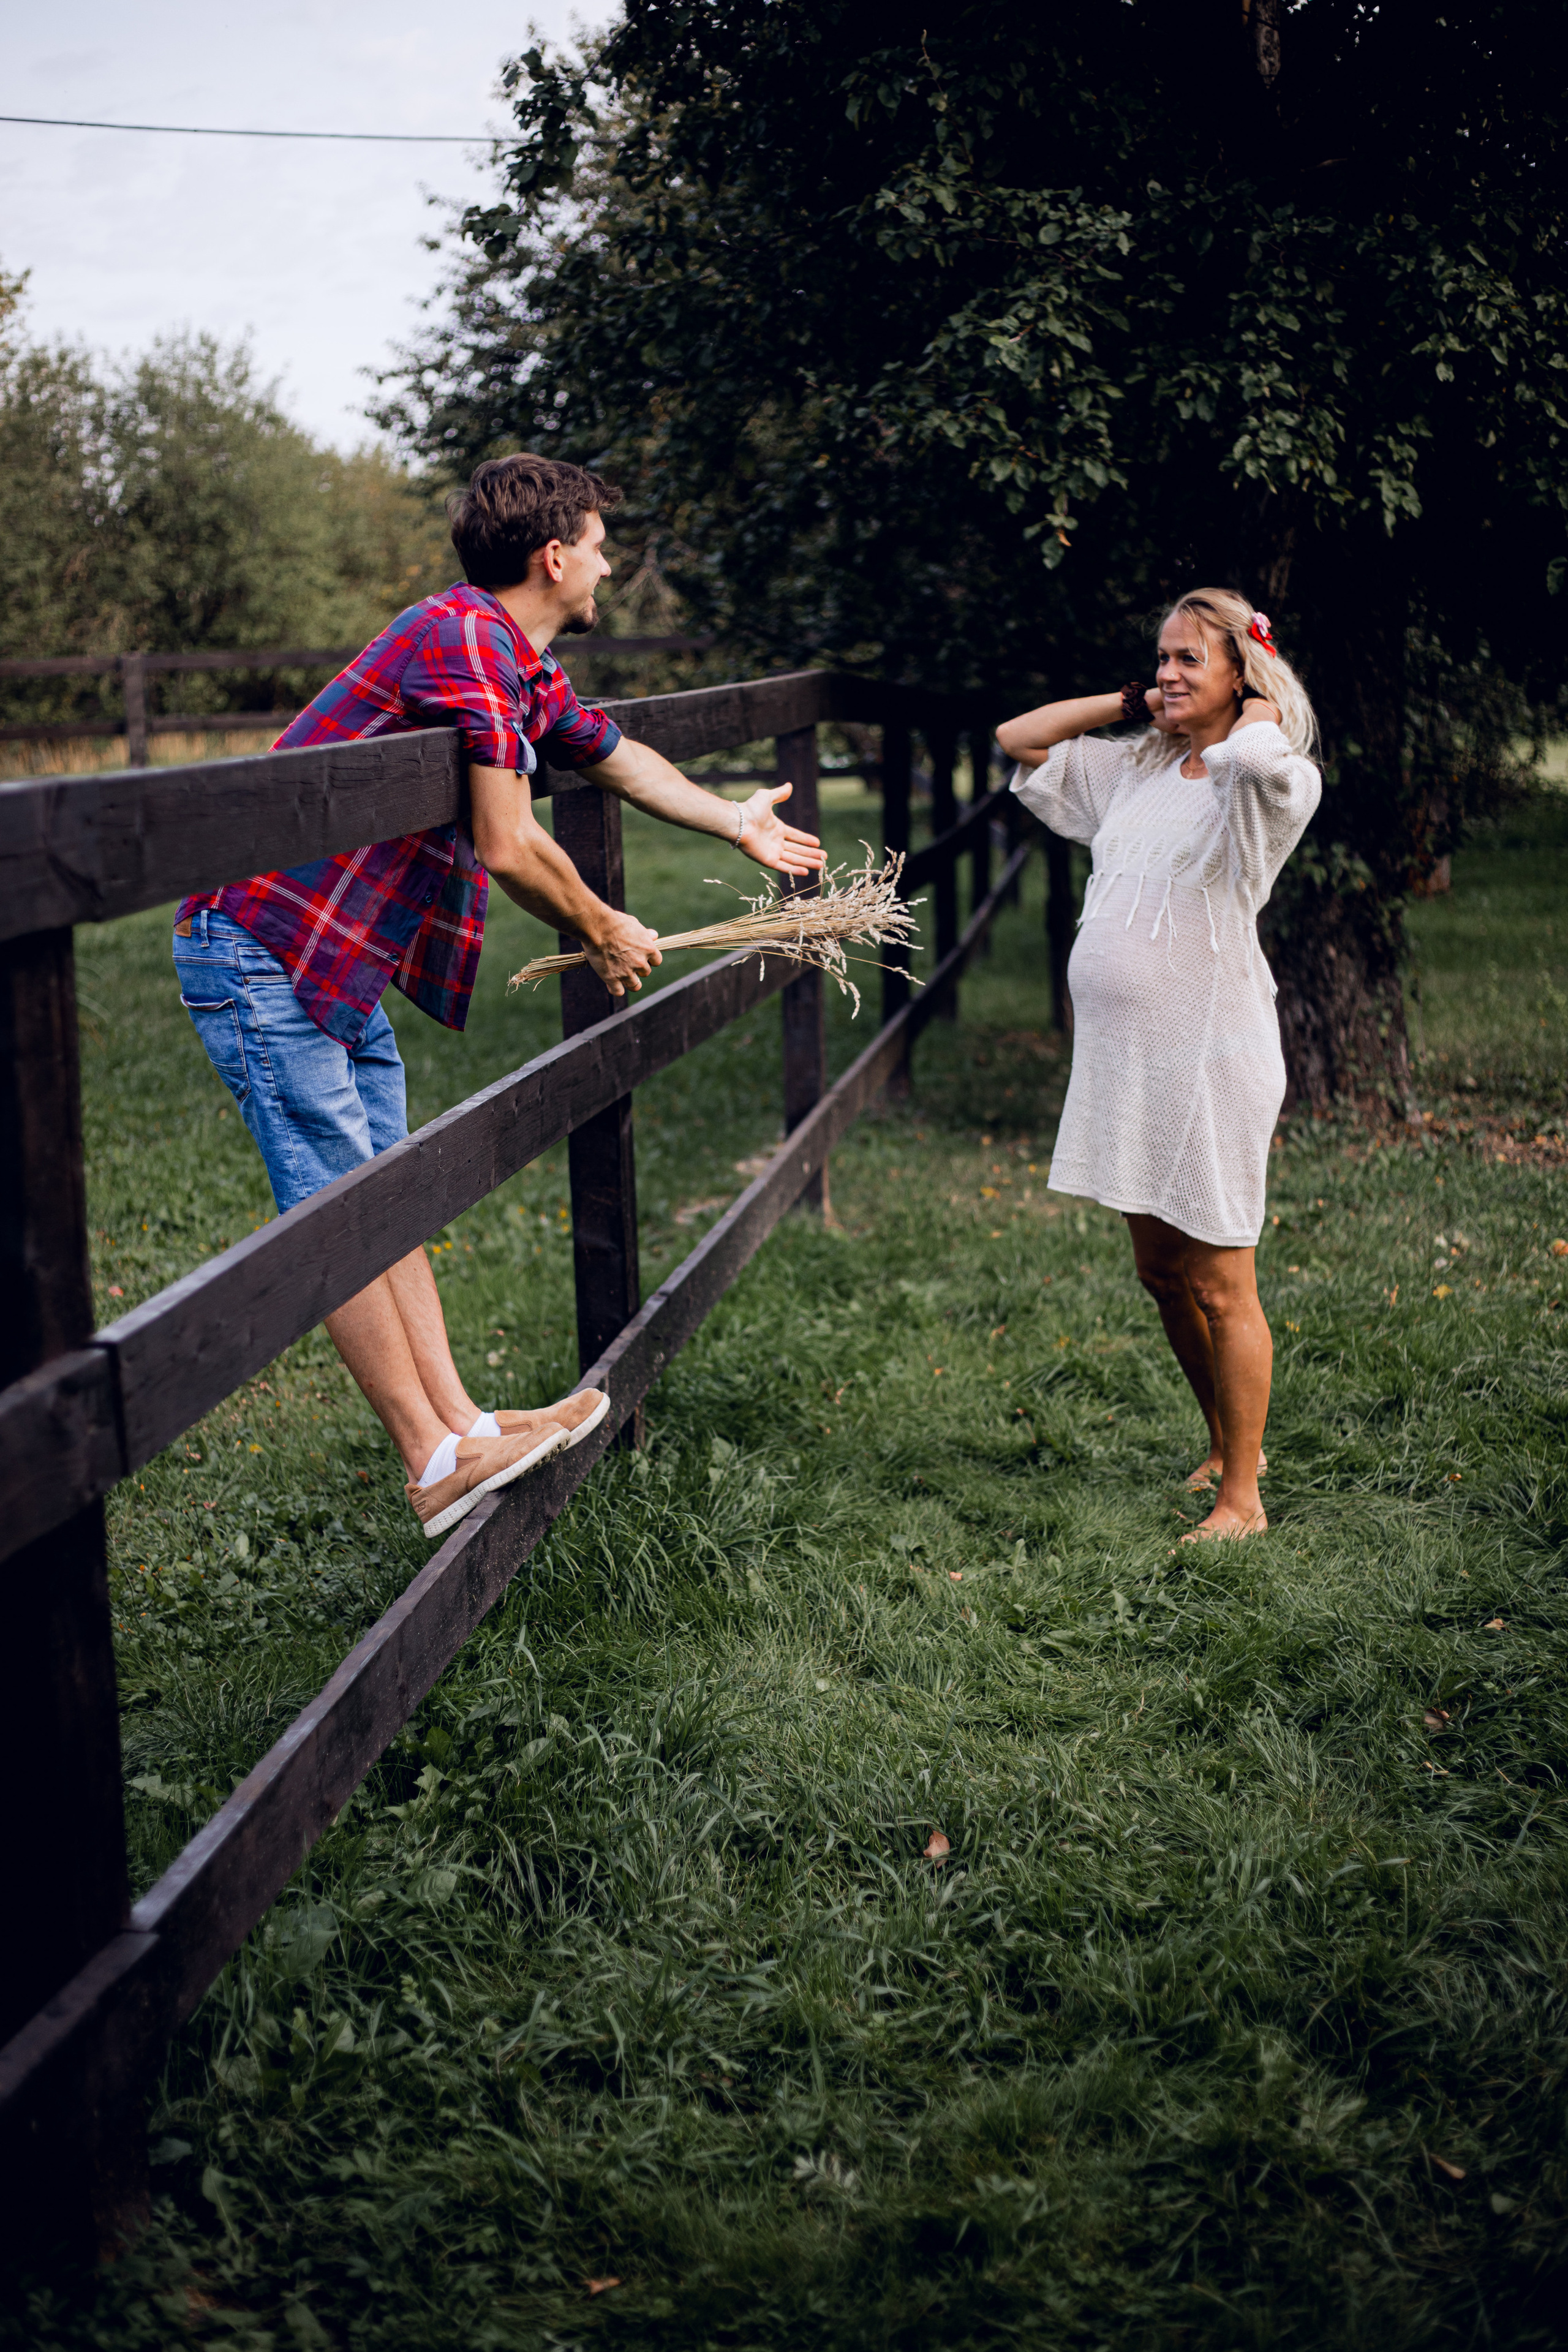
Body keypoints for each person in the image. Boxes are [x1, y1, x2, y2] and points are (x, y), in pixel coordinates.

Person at [173, 453, 823, 1541]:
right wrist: (601, 922)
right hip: (259, 949)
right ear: (555, 553)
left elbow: (615, 760)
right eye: (602, 543)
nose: (610, 562)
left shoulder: (515, 660)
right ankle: (430, 1462)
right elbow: (508, 840)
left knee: (385, 1199)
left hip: (334, 962)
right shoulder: (467, 635)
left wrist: (734, 821)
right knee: (337, 1214)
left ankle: (463, 1426)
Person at [997, 590, 1321, 1541]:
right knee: (1159, 1271)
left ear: (1240, 674)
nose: (1169, 674)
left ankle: (1244, 1500)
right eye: (1161, 659)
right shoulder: (1133, 774)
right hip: (1126, 1058)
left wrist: (1259, 711)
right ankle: (1223, 1443)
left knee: (1222, 1279)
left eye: (1190, 661)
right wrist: (1128, 702)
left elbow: (1264, 760)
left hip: (1211, 1054)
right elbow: (1018, 737)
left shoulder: (1260, 786)